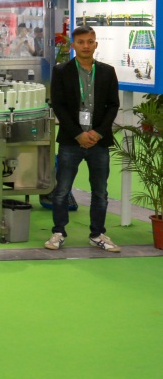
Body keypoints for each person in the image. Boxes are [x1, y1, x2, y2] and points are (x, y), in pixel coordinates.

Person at [45, 24, 120, 253]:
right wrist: (78, 134)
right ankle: (58, 232)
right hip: (71, 141)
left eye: (90, 41)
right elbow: (58, 105)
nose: (86, 46)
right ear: (73, 45)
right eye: (81, 42)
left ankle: (97, 234)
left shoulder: (107, 71)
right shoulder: (61, 71)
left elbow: (113, 105)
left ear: (96, 44)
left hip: (99, 141)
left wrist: (98, 132)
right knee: (62, 190)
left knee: (100, 192)